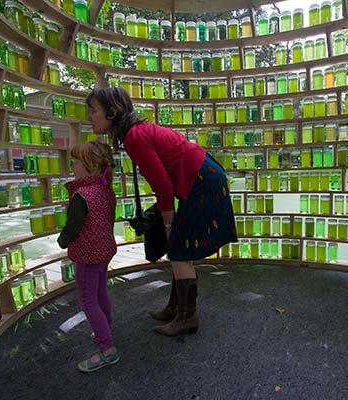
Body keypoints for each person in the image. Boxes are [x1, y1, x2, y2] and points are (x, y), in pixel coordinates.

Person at [86, 87, 237, 336]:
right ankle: (176, 307)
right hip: (204, 176)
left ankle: (187, 317)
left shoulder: (134, 137)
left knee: (178, 248)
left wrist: (169, 226)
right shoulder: (136, 133)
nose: (90, 116)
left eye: (94, 111)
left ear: (112, 112)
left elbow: (163, 187)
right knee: (180, 248)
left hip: (202, 180)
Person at [57, 141, 119, 372]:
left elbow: (72, 229)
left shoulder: (82, 195)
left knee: (87, 300)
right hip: (104, 251)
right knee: (101, 292)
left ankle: (107, 348)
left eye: (75, 162)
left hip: (87, 255)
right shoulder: (105, 190)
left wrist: (62, 240)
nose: (72, 166)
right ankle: (106, 328)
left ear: (90, 166)